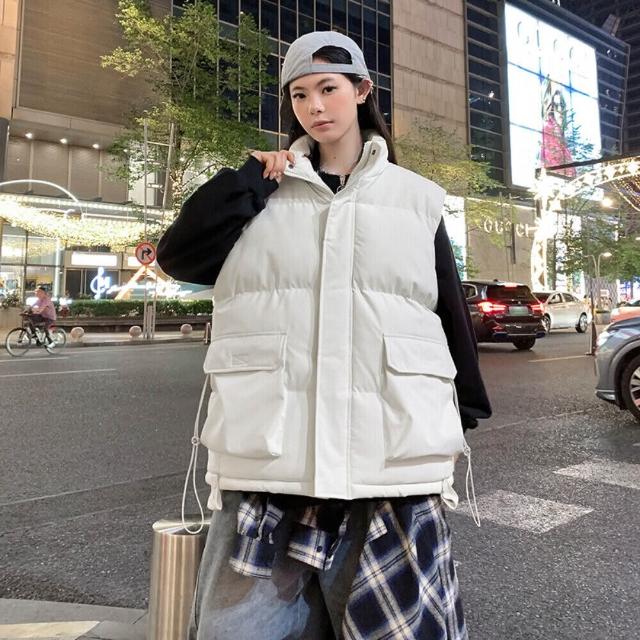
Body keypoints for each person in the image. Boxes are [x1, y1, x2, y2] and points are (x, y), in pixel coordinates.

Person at [158, 31, 491, 640]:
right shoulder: (260, 194)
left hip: (386, 469)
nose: (315, 106)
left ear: (362, 91)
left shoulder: (416, 201)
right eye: (300, 94)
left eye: (329, 89)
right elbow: (177, 258)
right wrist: (248, 183)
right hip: (270, 470)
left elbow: (446, 311)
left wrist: (461, 410)